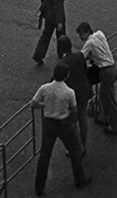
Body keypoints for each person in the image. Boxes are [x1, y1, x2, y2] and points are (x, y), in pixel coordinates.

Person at [31, 63, 91, 195]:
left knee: (45, 155)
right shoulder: (69, 92)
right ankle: (80, 178)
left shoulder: (45, 88)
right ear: (66, 76)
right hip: (64, 124)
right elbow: (74, 111)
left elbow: (33, 103)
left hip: (49, 124)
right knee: (75, 150)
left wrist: (44, 105)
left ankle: (39, 187)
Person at [78, 22, 117, 135]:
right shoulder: (99, 34)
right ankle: (103, 117)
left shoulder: (89, 43)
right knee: (103, 94)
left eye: (81, 34)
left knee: (110, 99)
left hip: (106, 71)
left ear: (87, 32)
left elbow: (81, 57)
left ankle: (115, 126)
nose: (80, 38)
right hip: (113, 68)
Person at [56, 35, 92, 155]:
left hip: (74, 97)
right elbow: (85, 71)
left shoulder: (63, 64)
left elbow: (55, 81)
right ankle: (84, 145)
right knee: (83, 119)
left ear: (61, 49)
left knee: (73, 124)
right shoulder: (80, 56)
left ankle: (77, 148)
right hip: (84, 92)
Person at [33, 0, 67, 65]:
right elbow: (57, 8)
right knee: (61, 35)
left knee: (46, 35)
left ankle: (38, 55)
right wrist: (59, 22)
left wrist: (45, 1)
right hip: (57, 17)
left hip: (48, 15)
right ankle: (62, 52)